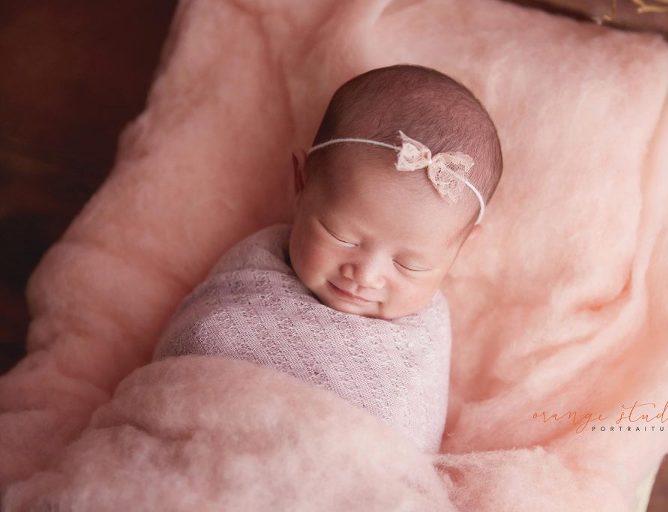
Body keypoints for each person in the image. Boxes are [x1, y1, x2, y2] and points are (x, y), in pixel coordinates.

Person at [153, 64, 503, 452]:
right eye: (342, 237)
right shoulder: (255, 264)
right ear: (301, 185)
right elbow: (197, 345)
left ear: (461, 249)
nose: (365, 275)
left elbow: (400, 447)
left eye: (410, 265)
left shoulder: (423, 337)